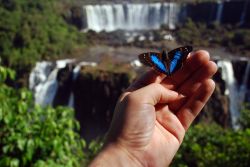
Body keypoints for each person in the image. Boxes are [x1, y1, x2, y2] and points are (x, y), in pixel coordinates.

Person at [89, 50, 217, 167]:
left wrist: (125, 153)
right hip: (172, 67)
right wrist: (127, 153)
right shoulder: (175, 55)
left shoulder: (155, 58)